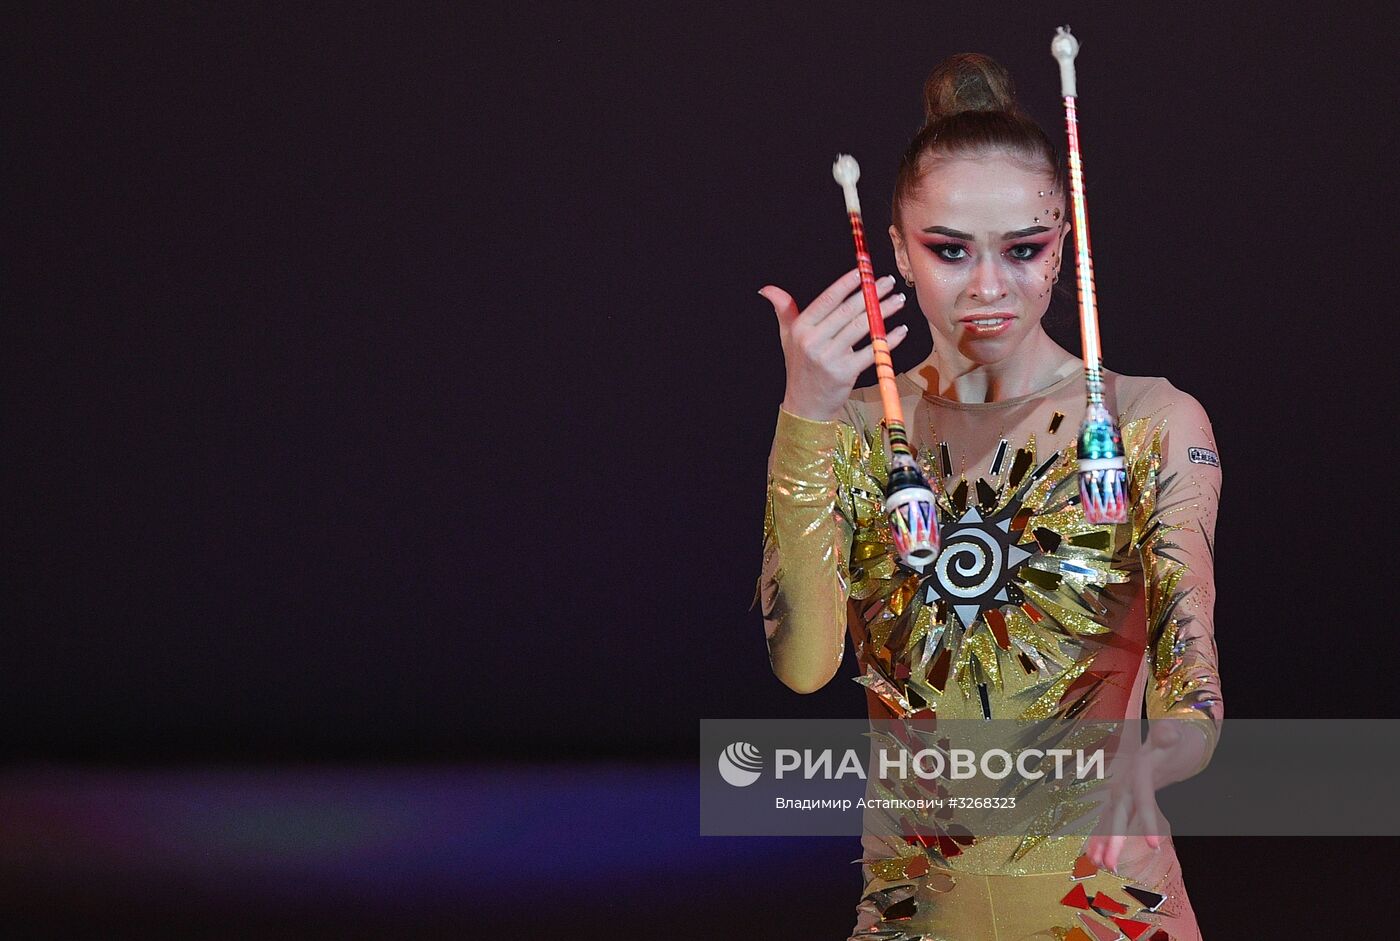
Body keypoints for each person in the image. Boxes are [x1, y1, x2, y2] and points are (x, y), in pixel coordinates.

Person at [754, 53, 1223, 941]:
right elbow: (804, 661)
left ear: (1066, 241)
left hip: (1111, 912)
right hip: (913, 916)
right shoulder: (847, 432)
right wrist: (804, 413)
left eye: (1024, 248)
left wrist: (1156, 759)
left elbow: (1191, 674)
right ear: (896, 246)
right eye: (949, 250)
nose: (988, 287)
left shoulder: (1149, 421)